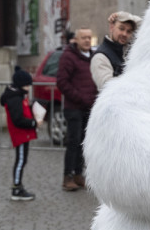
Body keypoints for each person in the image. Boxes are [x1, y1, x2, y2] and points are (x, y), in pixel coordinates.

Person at [57, 27, 98, 191]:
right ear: (76, 40)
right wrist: (80, 98)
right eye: (84, 38)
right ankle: (67, 176)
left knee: (84, 143)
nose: (87, 41)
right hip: (74, 107)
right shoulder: (68, 57)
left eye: (89, 38)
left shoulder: (93, 57)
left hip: (88, 108)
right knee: (73, 142)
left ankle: (78, 174)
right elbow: (62, 82)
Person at [0, 68, 39, 201]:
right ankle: (16, 187)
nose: (28, 88)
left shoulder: (18, 95)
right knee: (21, 160)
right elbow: (18, 119)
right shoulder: (15, 98)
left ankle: (18, 186)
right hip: (21, 134)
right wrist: (33, 123)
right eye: (27, 85)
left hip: (23, 134)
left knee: (22, 160)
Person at [91, 11, 141, 90]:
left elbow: (146, 26)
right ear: (112, 27)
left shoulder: (126, 52)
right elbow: (108, 88)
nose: (125, 34)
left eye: (129, 31)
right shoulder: (100, 57)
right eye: (121, 28)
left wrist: (122, 15)